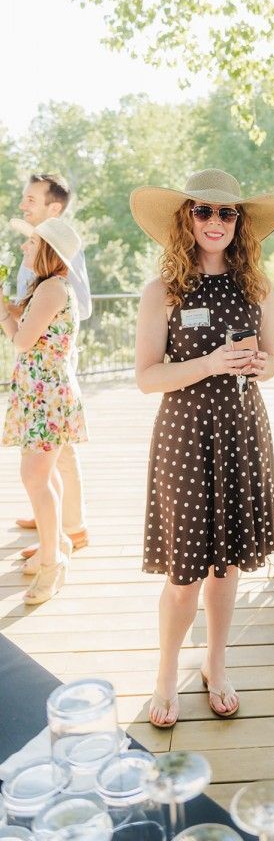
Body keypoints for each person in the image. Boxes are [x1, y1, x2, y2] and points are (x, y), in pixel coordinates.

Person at [131, 167, 274, 728]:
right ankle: (164, 673)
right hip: (186, 437)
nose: (215, 221)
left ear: (239, 222)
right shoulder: (164, 291)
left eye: (227, 213)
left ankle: (215, 665)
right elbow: (147, 377)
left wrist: (258, 364)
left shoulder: (257, 288)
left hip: (243, 433)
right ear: (186, 218)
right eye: (204, 210)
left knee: (226, 569)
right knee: (184, 576)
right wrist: (209, 364)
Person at [0, 217, 88, 604]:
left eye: (31, 243)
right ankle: (58, 544)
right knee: (42, 476)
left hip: (47, 396)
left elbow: (21, 340)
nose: (24, 248)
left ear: (48, 250)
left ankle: (53, 562)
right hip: (39, 393)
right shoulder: (45, 287)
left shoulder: (53, 288)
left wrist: (4, 313)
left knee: (34, 477)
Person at [12, 174, 91, 559]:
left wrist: (27, 319)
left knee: (49, 467)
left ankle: (68, 532)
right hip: (38, 380)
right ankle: (52, 531)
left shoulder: (58, 278)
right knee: (44, 470)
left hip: (50, 380)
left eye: (30, 199)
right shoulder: (44, 276)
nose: (23, 205)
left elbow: (25, 336)